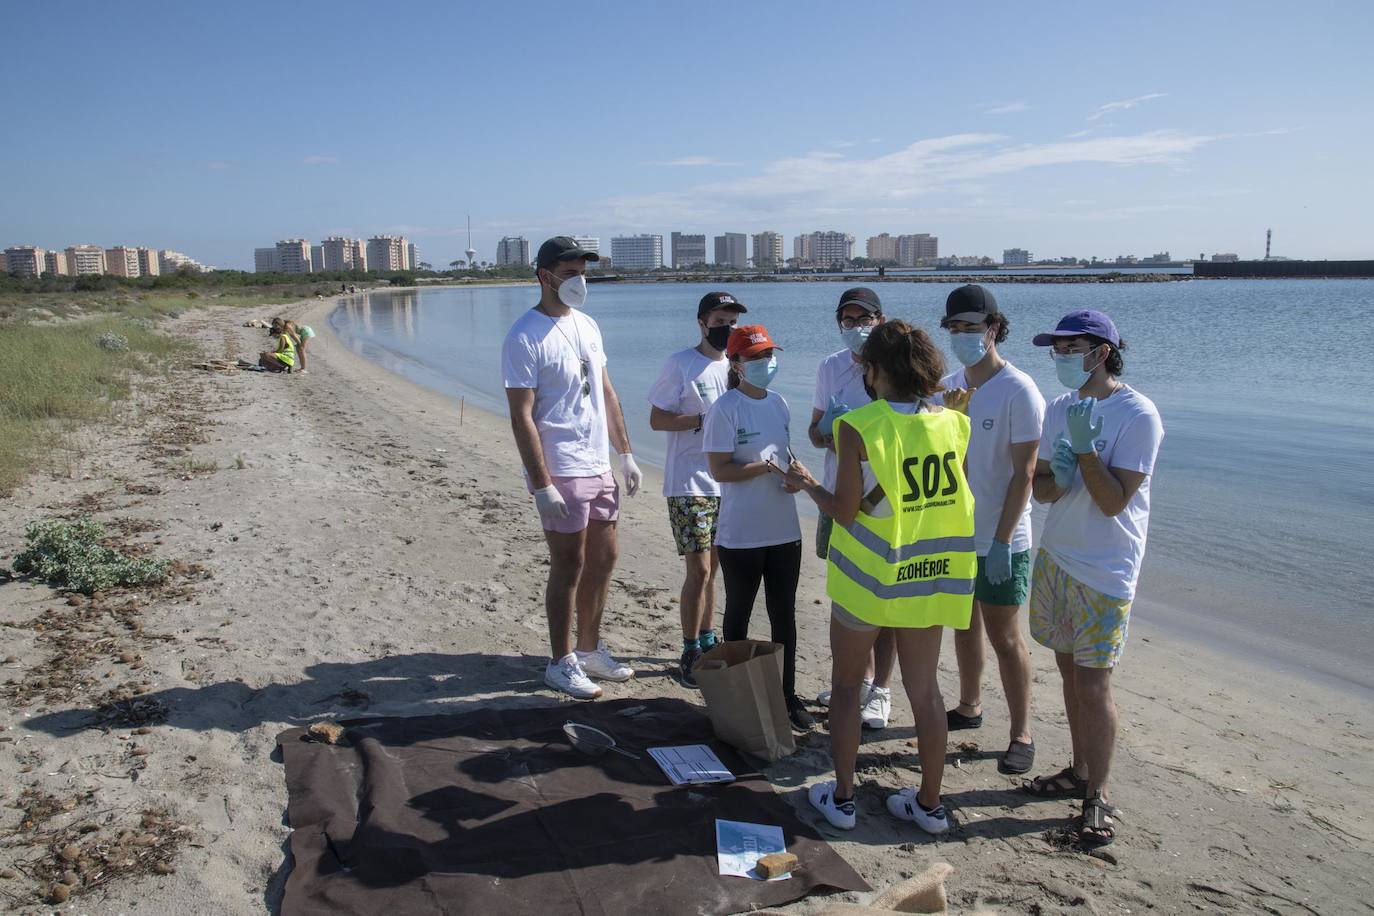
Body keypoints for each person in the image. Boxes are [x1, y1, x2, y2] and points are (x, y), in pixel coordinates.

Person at [782, 321, 976, 835]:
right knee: (926, 692)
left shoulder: (859, 427)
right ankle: (930, 805)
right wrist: (949, 412)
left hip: (868, 580)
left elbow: (845, 511)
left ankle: (842, 799)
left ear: (874, 370)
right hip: (928, 575)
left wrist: (806, 484)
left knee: (847, 688)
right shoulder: (955, 423)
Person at [1022, 309, 1164, 849]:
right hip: (1058, 555)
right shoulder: (1060, 407)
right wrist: (1055, 474)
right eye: (1055, 349)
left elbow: (1112, 503)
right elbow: (1042, 492)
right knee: (1067, 675)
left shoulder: (1137, 414)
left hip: (1106, 568)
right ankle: (1079, 770)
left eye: (1070, 348)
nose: (1059, 358)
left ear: (1101, 352)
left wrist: (1083, 453)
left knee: (1094, 683)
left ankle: (1096, 795)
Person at [502, 236, 644, 700]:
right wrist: (542, 483)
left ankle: (588, 649)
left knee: (604, 560)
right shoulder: (524, 335)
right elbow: (522, 414)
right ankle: (560, 661)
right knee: (569, 564)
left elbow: (606, 390)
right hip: (560, 466)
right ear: (544, 276)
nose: (579, 280)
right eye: (569, 271)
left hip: (597, 463)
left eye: (583, 271)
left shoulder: (588, 325)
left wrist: (625, 453)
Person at [937, 285, 1045, 776]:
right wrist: (953, 421)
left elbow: (1024, 472)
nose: (962, 336)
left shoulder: (1019, 389)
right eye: (955, 329)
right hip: (957, 533)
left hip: (1003, 536)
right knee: (962, 625)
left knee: (1005, 637)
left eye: (971, 328)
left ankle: (1022, 732)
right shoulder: (948, 386)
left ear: (993, 329)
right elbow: (946, 464)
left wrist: (1002, 541)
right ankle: (969, 705)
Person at [702, 325, 813, 731]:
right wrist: (762, 467)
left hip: (784, 529)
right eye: (756, 357)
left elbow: (784, 454)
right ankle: (734, 692)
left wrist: (792, 472)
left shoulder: (779, 403)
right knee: (738, 616)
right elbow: (719, 469)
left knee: (784, 615)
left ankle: (786, 695)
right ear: (736, 363)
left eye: (769, 354)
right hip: (741, 534)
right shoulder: (726, 408)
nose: (766, 363)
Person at [808, 287, 898, 730]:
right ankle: (857, 681)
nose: (856, 326)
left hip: (886, 506)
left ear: (880, 320)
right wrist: (827, 431)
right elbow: (814, 432)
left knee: (886, 600)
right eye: (848, 320)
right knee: (846, 591)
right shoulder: (831, 367)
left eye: (864, 318)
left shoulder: (898, 367)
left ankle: (881, 689)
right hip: (836, 496)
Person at [647, 292, 746, 687]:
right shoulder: (682, 364)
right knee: (699, 569)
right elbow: (656, 419)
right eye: (720, 321)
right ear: (703, 323)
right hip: (688, 481)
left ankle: (708, 639)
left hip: (728, 483)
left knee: (714, 571)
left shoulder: (737, 367)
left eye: (733, 322)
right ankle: (689, 649)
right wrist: (701, 420)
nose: (728, 329)